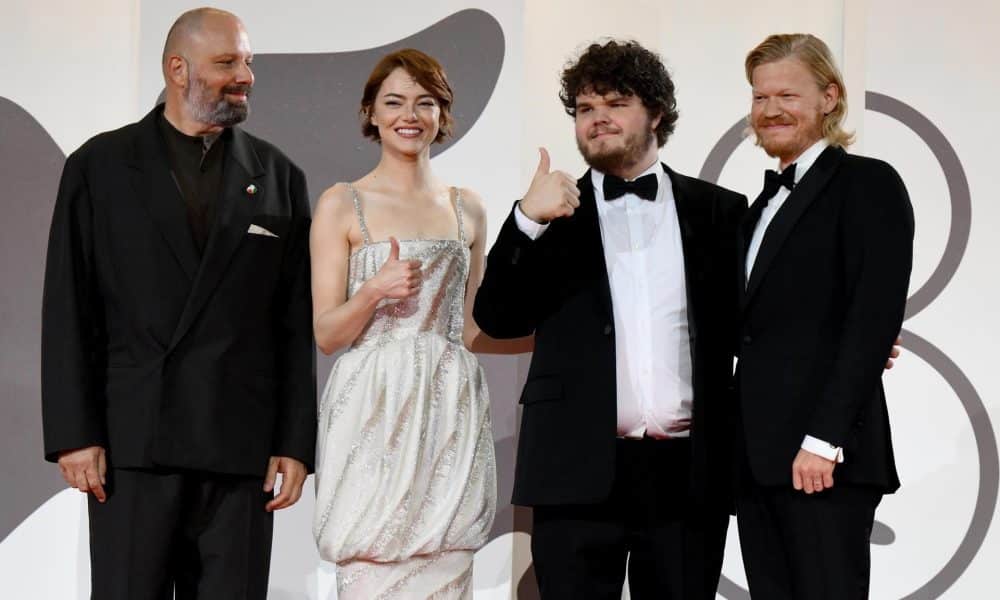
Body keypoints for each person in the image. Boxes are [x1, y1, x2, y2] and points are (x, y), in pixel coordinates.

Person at [40, 7, 315, 599]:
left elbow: (292, 324)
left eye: (247, 62)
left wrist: (294, 443)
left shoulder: (278, 176)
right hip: (133, 444)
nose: (245, 75)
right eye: (227, 63)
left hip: (237, 446)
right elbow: (69, 305)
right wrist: (74, 433)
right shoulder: (100, 166)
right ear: (177, 68)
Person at [473, 40, 746, 599]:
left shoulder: (720, 211)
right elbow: (497, 319)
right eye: (584, 109)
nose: (597, 119)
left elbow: (757, 320)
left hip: (687, 475)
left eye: (615, 103)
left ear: (656, 114)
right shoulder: (549, 213)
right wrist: (526, 220)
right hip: (574, 471)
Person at [311, 48, 520, 599]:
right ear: (372, 114)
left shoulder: (467, 207)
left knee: (447, 558)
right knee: (370, 556)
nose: (411, 115)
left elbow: (474, 330)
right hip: (372, 403)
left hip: (448, 398)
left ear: (442, 114)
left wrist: (571, 335)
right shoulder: (341, 203)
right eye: (395, 102)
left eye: (425, 102)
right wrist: (375, 291)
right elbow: (328, 334)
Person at [734, 33, 914, 599]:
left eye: (787, 94)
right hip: (757, 459)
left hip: (823, 459)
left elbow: (872, 317)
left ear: (830, 97)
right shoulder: (757, 206)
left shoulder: (869, 184)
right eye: (760, 98)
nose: (770, 110)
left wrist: (824, 439)